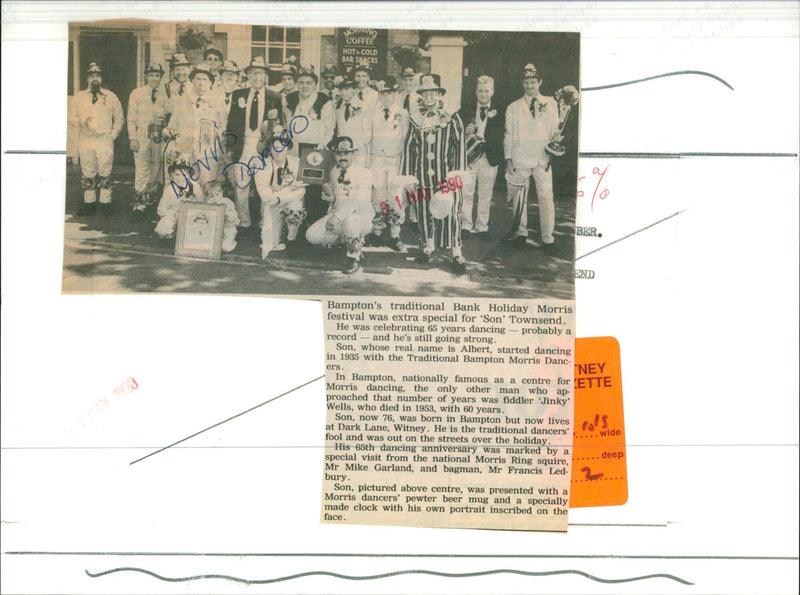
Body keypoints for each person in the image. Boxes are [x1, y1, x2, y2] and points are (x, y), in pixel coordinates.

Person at [400, 74, 468, 274]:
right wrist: (409, 176)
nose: (429, 97)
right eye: (425, 93)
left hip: (446, 175)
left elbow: (460, 145)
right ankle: (428, 247)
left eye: (433, 93)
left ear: (439, 95)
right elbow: (409, 147)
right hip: (422, 175)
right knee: (423, 211)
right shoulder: (415, 118)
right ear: (421, 96)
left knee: (452, 213)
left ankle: (456, 252)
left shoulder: (451, 115)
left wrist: (456, 175)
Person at [504, 62, 560, 249]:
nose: (530, 86)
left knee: (546, 197)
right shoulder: (513, 107)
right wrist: (508, 159)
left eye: (533, 82)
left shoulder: (551, 104)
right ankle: (521, 232)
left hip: (542, 159)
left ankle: (547, 237)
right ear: (522, 84)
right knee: (520, 197)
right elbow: (509, 134)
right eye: (526, 82)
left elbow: (555, 130)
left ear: (540, 82)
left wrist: (557, 139)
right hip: (520, 157)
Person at [223, 56, 283, 229]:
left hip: (263, 146)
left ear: (266, 76)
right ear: (248, 75)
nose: (257, 77)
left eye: (261, 73)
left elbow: (281, 125)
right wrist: (229, 148)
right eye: (253, 73)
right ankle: (244, 221)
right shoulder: (239, 94)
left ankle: (265, 220)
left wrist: (276, 117)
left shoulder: (275, 96)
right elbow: (231, 123)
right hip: (243, 146)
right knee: (241, 185)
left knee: (264, 185)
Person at [306, 137, 373, 274]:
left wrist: (337, 216)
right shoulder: (334, 172)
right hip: (338, 215)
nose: (343, 157)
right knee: (311, 235)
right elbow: (334, 199)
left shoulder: (364, 173)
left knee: (350, 221)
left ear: (354, 154)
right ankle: (343, 240)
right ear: (334, 155)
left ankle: (354, 257)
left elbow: (359, 202)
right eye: (339, 154)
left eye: (347, 153)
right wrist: (329, 196)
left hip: (360, 218)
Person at [283, 65, 335, 227]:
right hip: (295, 148)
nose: (305, 86)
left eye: (308, 83)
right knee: (294, 186)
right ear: (297, 84)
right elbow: (286, 125)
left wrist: (321, 148)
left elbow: (330, 127)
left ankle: (313, 224)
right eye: (301, 82)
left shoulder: (323, 100)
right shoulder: (291, 99)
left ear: (314, 85)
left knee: (313, 190)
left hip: (315, 149)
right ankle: (294, 225)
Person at [70, 62, 124, 216]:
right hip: (86, 138)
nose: (95, 79)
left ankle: (105, 203)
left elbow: (119, 117)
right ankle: (89, 203)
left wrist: (113, 135)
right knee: (88, 171)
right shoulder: (79, 97)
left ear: (101, 79)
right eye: (92, 76)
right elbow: (71, 117)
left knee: (105, 170)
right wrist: (81, 121)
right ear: (87, 78)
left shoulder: (110, 96)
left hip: (104, 139)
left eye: (98, 76)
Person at [364, 76, 409, 251]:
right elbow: (369, 139)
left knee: (396, 198)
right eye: (383, 94)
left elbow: (405, 140)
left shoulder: (402, 113)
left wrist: (403, 165)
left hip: (394, 160)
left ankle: (395, 235)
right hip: (377, 160)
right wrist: (369, 163)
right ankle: (377, 232)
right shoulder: (372, 113)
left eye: (389, 94)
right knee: (378, 197)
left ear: (395, 94)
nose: (385, 97)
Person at [459, 75, 505, 235]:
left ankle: (482, 225)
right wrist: (465, 131)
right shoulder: (466, 109)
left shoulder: (501, 112)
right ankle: (465, 224)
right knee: (467, 192)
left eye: (486, 91)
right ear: (475, 92)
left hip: (489, 158)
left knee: (486, 193)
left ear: (492, 91)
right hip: (470, 157)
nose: (483, 94)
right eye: (480, 91)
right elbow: (455, 129)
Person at [254, 126, 306, 258]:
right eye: (274, 147)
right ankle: (277, 233)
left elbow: (301, 191)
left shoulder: (296, 163)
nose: (278, 152)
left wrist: (280, 197)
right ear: (270, 149)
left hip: (287, 201)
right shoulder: (262, 166)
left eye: (281, 148)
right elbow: (266, 197)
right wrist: (289, 189)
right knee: (269, 244)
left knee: (296, 206)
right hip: (271, 204)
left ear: (287, 149)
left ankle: (291, 238)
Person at [188, 62, 227, 187]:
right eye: (198, 79)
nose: (201, 82)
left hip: (208, 152)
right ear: (192, 81)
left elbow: (224, 126)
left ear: (210, 83)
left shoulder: (217, 103)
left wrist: (216, 136)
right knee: (191, 184)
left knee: (208, 184)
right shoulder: (184, 101)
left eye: (204, 79)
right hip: (188, 150)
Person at [163, 53, 196, 178]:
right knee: (171, 169)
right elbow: (163, 113)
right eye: (177, 69)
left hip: (190, 135)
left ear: (189, 69)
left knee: (190, 168)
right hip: (172, 135)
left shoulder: (194, 86)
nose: (180, 72)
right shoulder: (167, 88)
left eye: (183, 68)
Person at [155, 157, 199, 239]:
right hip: (174, 215)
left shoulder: (195, 186)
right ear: (172, 176)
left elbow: (201, 204)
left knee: (192, 234)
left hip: (190, 215)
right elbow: (161, 209)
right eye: (177, 175)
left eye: (183, 175)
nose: (180, 178)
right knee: (162, 231)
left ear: (189, 175)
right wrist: (173, 214)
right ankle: (173, 231)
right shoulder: (169, 189)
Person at [334, 77, 371, 167]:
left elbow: (367, 133)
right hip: (341, 152)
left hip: (358, 151)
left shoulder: (363, 106)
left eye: (346, 89)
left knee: (357, 176)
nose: (343, 92)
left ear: (354, 90)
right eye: (341, 89)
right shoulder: (337, 107)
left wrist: (353, 145)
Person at [199, 180, 239, 253]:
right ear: (206, 197)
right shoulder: (206, 203)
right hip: (212, 229)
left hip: (227, 228)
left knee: (225, 248)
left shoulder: (228, 202)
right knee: (205, 245)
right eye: (211, 196)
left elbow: (234, 219)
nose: (215, 198)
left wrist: (228, 213)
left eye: (217, 194)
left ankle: (232, 242)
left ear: (222, 193)